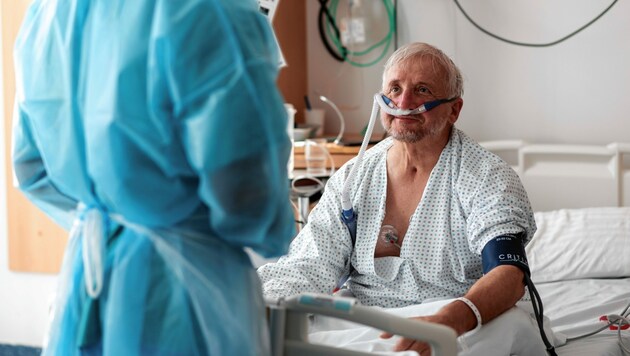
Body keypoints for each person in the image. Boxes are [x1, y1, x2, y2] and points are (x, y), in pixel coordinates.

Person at [12, 1, 295, 355]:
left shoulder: (46, 14)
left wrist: (116, 223)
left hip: (86, 281)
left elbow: (30, 170)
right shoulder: (206, 10)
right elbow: (247, 194)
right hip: (187, 288)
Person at [258, 42, 538, 354]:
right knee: (284, 334)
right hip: (366, 324)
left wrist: (452, 319)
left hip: (453, 319)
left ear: (454, 109)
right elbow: (311, 263)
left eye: (422, 90)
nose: (403, 102)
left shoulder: (486, 177)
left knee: (508, 325)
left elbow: (509, 275)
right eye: (395, 88)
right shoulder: (353, 178)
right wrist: (262, 304)